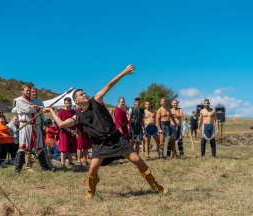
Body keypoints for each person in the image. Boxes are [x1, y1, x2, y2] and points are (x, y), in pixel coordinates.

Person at [43, 65, 167, 199]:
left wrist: (124, 72)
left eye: (84, 93)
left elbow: (109, 85)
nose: (84, 94)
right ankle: (91, 191)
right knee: (93, 168)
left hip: (116, 138)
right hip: (100, 144)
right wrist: (50, 111)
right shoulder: (78, 116)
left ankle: (155, 185)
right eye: (81, 94)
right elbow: (61, 124)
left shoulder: (95, 100)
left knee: (138, 160)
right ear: (76, 101)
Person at [13, 84, 51, 173]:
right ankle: (17, 170)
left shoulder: (35, 101)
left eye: (29, 91)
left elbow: (43, 109)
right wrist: (37, 108)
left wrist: (36, 107)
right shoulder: (19, 101)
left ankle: (45, 168)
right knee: (23, 147)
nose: (28, 92)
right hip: (26, 125)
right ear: (22, 91)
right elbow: (28, 110)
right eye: (27, 90)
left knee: (40, 147)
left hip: (37, 126)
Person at [30, 87, 56, 171]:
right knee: (28, 148)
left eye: (35, 92)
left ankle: (47, 166)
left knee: (42, 148)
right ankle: (28, 167)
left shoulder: (40, 101)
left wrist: (44, 122)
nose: (35, 93)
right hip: (30, 127)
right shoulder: (28, 101)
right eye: (33, 92)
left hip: (39, 127)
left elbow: (42, 113)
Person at [57, 97, 78, 168]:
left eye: (70, 103)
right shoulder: (61, 112)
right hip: (64, 132)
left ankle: (70, 162)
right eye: (67, 103)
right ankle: (63, 164)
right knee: (63, 148)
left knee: (71, 148)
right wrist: (69, 131)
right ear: (64, 104)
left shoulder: (73, 112)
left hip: (72, 132)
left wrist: (75, 131)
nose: (69, 104)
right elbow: (60, 124)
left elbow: (76, 122)